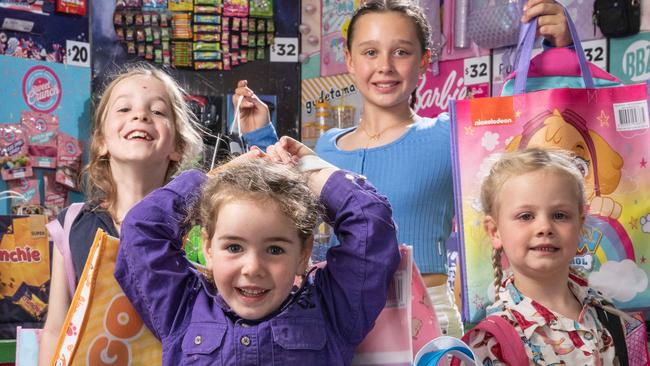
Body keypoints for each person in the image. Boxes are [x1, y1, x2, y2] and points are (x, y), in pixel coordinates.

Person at [234, 0, 571, 337]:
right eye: (370, 52)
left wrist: (560, 49)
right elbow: (279, 208)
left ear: (424, 59)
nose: (385, 66)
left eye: (401, 52)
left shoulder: (450, 133)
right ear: (349, 60)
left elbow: (532, 121)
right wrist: (262, 135)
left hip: (426, 315)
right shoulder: (326, 146)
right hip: (343, 312)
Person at [38, 65, 275, 365]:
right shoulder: (72, 224)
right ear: (101, 142)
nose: (140, 115)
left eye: (159, 112)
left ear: (177, 146)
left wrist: (259, 138)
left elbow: (271, 212)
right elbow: (56, 329)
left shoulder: (205, 227)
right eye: (124, 108)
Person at [114, 137, 401, 365]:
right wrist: (215, 179)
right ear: (207, 248)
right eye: (234, 247)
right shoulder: (182, 309)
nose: (252, 267)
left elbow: (369, 219)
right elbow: (141, 227)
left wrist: (310, 168)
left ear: (303, 254)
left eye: (274, 249)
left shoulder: (332, 311)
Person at [468, 148, 631, 364]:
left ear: (579, 226)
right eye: (526, 216)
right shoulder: (492, 343)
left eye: (559, 215)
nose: (544, 227)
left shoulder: (606, 313)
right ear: (495, 231)